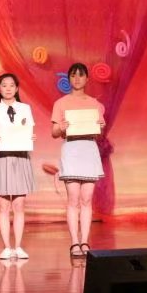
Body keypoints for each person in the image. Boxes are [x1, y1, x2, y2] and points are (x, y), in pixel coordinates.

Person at [50, 62, 106, 257]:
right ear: (69, 78)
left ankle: (85, 242)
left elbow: (98, 133)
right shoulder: (61, 103)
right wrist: (61, 127)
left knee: (87, 199)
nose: (77, 78)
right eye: (73, 75)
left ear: (87, 79)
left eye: (81, 75)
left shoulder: (95, 104)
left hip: (89, 149)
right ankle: (74, 242)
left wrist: (100, 126)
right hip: (71, 149)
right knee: (73, 199)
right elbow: (54, 132)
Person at [0, 73, 36, 260]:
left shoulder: (25, 108)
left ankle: (19, 247)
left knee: (19, 204)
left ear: (17, 88)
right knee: (3, 205)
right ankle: (6, 247)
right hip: (2, 157)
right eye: (4, 85)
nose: (8, 88)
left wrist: (31, 137)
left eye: (12, 85)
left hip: (20, 157)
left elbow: (29, 131)